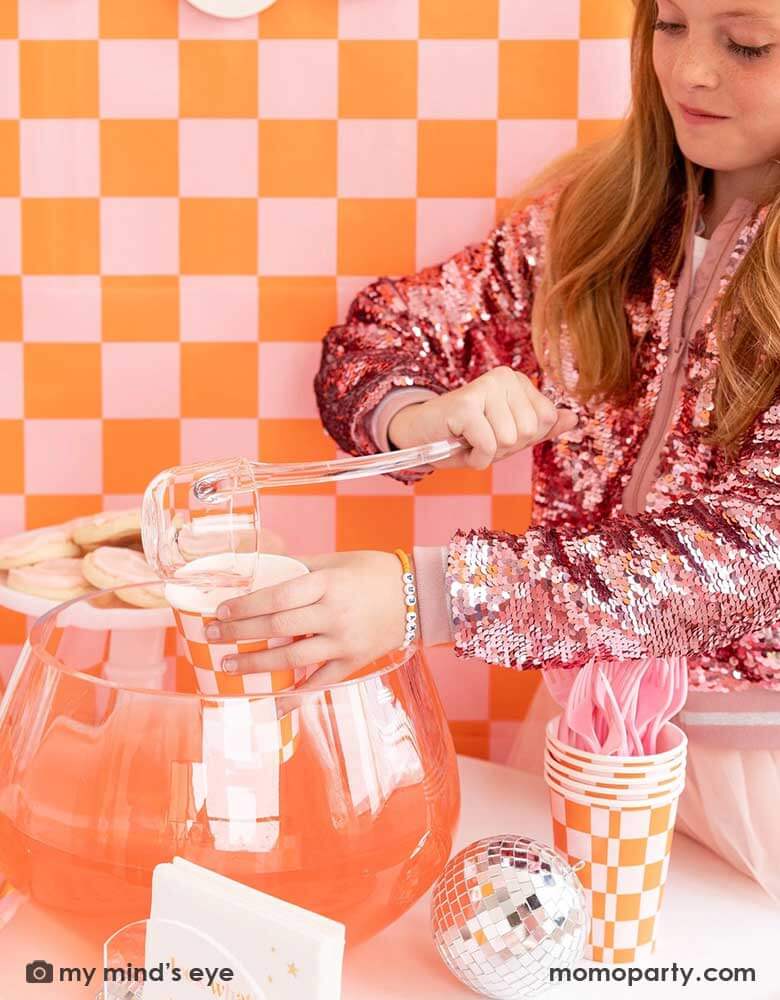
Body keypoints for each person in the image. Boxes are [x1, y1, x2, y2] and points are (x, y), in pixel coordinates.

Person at [212, 0, 780, 703]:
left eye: (747, 44)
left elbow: (757, 555)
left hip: (754, 745)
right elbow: (381, 333)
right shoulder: (593, 219)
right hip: (584, 721)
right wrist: (419, 419)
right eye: (670, 23)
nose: (690, 70)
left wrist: (434, 595)